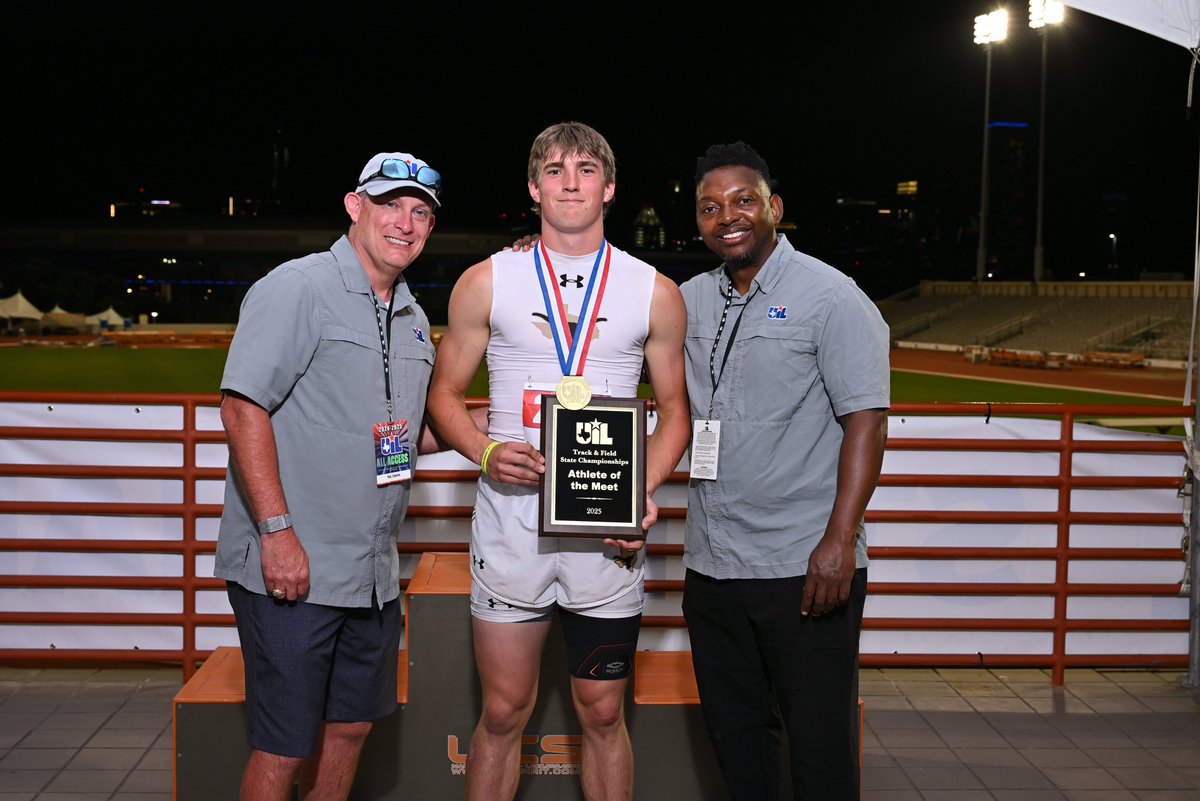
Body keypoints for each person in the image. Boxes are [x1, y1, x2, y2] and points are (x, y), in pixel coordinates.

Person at [426, 121, 690, 801]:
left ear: (610, 187)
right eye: (554, 169)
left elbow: (675, 414)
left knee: (602, 713)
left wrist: (638, 490)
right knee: (503, 711)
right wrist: (485, 450)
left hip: (606, 536)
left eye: (585, 169)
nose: (570, 183)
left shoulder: (654, 290)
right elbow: (443, 396)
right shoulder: (486, 280)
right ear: (533, 188)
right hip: (512, 527)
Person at [214, 151, 445, 801]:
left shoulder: (413, 318)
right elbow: (242, 406)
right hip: (296, 566)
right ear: (354, 206)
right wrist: (277, 532)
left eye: (420, 212)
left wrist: (511, 424)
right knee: (284, 744)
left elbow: (404, 436)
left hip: (370, 575)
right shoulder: (299, 286)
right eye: (390, 204)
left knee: (348, 729)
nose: (404, 222)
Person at [679, 142, 889, 801]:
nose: (727, 216)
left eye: (743, 200)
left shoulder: (832, 296)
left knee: (820, 756)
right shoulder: (687, 301)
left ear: (774, 207)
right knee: (740, 750)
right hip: (712, 567)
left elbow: (867, 421)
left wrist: (839, 541)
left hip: (804, 568)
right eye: (710, 207)